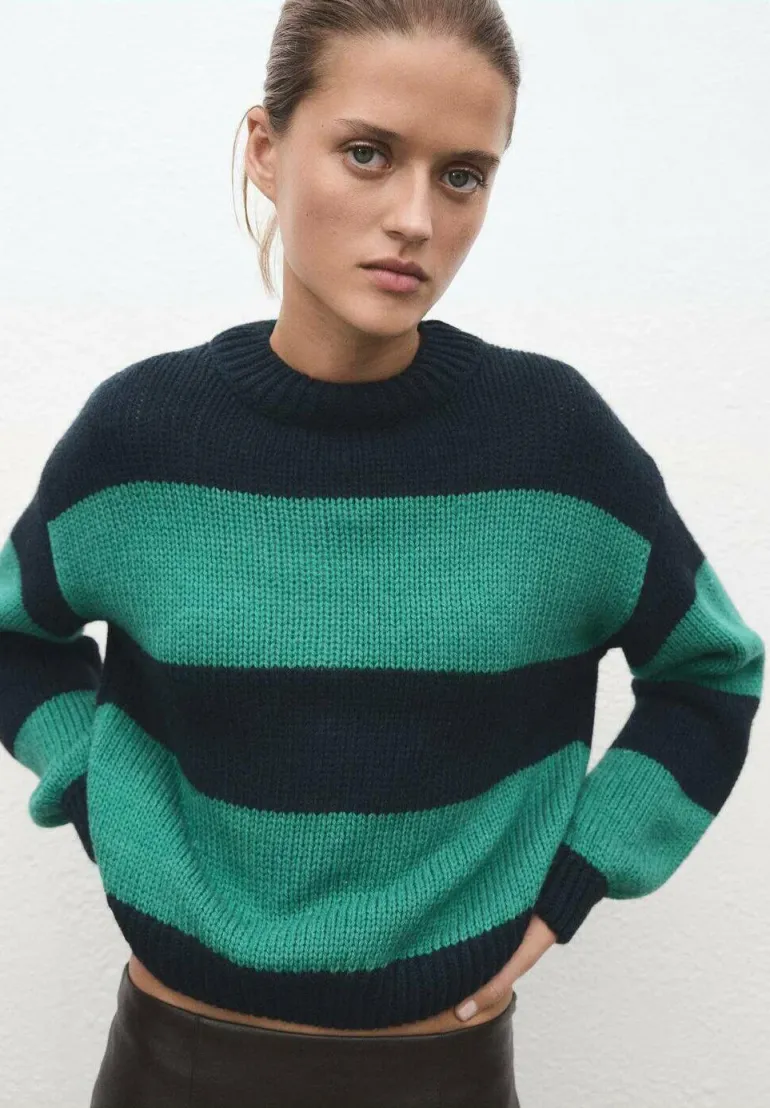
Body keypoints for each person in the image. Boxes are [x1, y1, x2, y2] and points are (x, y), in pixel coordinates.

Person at [0, 1, 763, 1106]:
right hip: (174, 1061)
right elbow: (14, 636)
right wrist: (99, 794)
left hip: (439, 1071)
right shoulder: (142, 436)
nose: (414, 217)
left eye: (462, 176)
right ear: (266, 149)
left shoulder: (555, 448)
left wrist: (575, 878)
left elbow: (711, 673)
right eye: (367, 153)